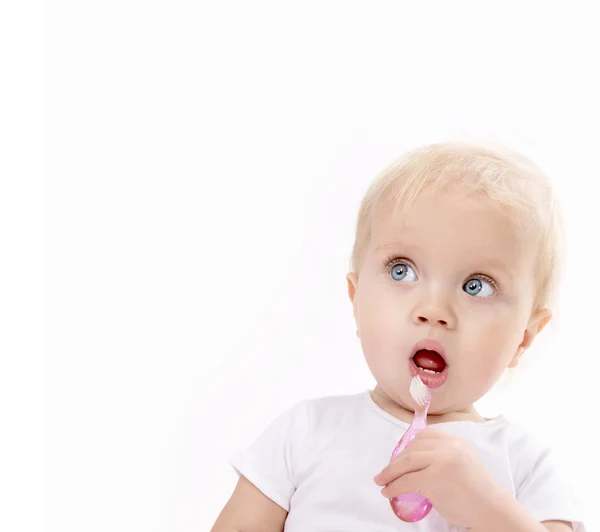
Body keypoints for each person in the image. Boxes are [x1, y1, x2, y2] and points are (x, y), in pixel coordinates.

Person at [211, 142, 585, 531]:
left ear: (524, 338)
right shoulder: (304, 433)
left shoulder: (524, 465)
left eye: (477, 286)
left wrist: (484, 507)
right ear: (356, 302)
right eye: (402, 270)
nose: (434, 311)